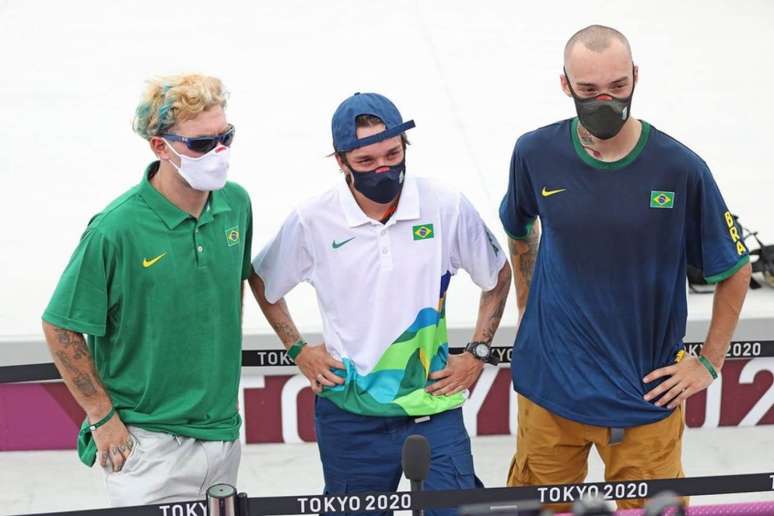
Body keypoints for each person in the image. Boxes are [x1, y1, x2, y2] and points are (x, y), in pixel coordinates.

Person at [499, 25, 752, 511]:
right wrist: (528, 307)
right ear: (565, 85)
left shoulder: (679, 168)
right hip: (549, 394)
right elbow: (519, 227)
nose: (605, 101)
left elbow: (734, 268)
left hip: (645, 403)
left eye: (617, 87)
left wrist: (709, 363)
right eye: (589, 90)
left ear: (636, 77)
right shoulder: (534, 153)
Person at [250, 92, 511, 515]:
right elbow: (263, 282)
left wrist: (478, 352)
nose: (383, 169)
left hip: (433, 404)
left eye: (392, 154)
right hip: (349, 415)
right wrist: (299, 350)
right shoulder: (313, 219)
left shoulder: (444, 204)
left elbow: (497, 275)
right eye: (367, 162)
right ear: (341, 161)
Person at [41, 74, 253, 506]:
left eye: (225, 137)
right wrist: (102, 418)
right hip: (147, 445)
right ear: (161, 146)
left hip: (223, 436)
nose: (219, 152)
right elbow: (60, 326)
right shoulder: (115, 228)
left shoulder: (236, 204)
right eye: (201, 144)